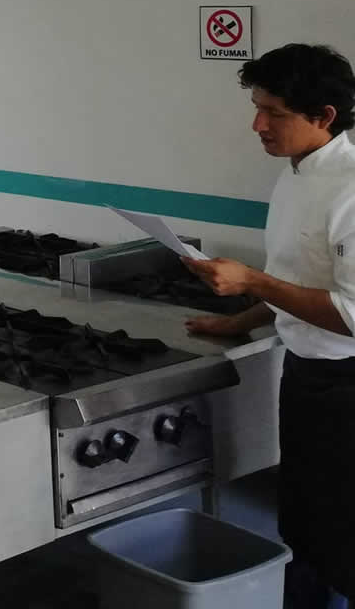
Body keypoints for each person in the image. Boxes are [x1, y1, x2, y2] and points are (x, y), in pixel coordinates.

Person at [183, 43, 355, 607]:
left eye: (273, 113)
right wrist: (241, 319)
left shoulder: (351, 189)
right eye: (257, 108)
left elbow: (352, 315)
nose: (258, 126)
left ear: (324, 115)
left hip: (346, 385)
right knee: (304, 521)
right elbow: (300, 280)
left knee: (341, 533)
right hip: (307, 375)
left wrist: (252, 282)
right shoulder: (297, 173)